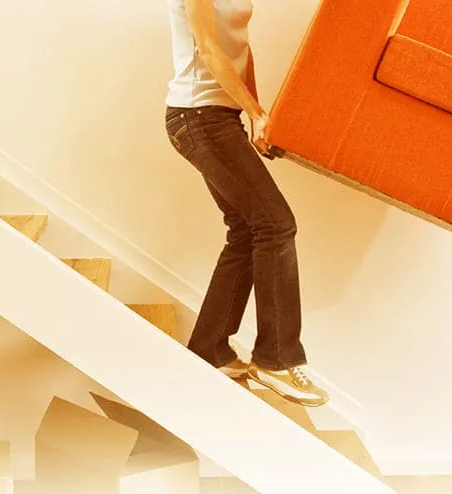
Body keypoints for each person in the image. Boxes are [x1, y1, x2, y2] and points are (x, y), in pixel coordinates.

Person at [162, 0, 328, 407]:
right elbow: (209, 50)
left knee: (247, 231)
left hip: (221, 117)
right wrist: (254, 112)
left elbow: (240, 48)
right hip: (195, 116)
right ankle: (276, 357)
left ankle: (210, 346)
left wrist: (256, 114)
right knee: (276, 225)